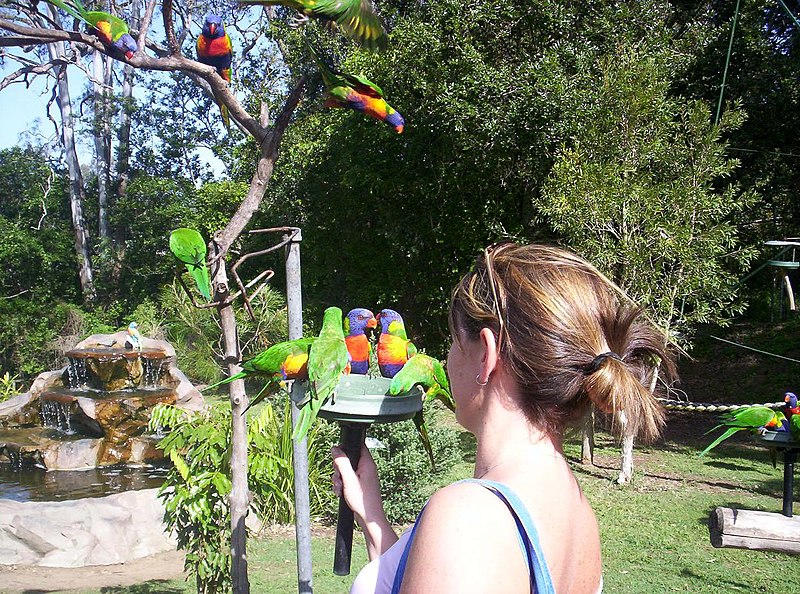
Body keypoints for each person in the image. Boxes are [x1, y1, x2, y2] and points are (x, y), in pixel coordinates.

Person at [332, 242, 676, 594]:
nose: (447, 359)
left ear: (487, 354)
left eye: (453, 341)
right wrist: (371, 514)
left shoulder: (467, 520)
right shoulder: (575, 508)